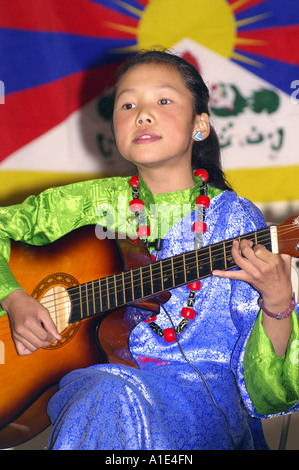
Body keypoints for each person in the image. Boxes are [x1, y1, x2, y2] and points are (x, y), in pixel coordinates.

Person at [0, 50, 298, 450]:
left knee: (110, 394)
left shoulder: (235, 219)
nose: (142, 114)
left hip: (202, 402)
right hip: (97, 384)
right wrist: (14, 297)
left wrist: (278, 300)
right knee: (107, 390)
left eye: (163, 100)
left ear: (200, 125)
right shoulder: (87, 204)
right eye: (127, 104)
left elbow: (271, 391)